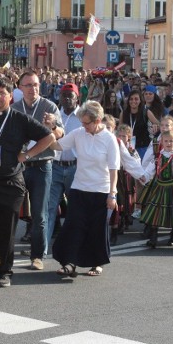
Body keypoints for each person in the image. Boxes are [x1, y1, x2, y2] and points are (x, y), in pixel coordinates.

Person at [0, 77, 55, 290]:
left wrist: (27, 155)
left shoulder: (20, 119)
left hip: (10, 183)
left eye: (2, 93)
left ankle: (4, 272)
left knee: (7, 231)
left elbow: (49, 137)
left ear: (10, 95)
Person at [51, 101, 119, 278]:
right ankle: (70, 262)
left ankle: (97, 263)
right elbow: (58, 145)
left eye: (86, 122)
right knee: (74, 226)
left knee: (96, 229)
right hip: (79, 188)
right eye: (82, 122)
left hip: (100, 190)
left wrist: (112, 194)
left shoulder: (109, 139)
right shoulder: (79, 133)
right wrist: (49, 130)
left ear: (97, 121)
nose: (83, 125)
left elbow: (114, 169)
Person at [12, 71, 63, 270]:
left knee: (40, 213)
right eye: (28, 85)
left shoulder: (49, 106)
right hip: (20, 166)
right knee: (13, 210)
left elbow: (60, 133)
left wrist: (52, 126)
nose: (32, 88)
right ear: (20, 88)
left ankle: (37, 256)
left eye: (35, 85)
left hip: (42, 165)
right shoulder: (15, 108)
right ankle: (4, 252)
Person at [47, 83, 82, 251]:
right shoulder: (55, 116)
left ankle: (72, 243)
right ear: (59, 98)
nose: (67, 99)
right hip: (55, 166)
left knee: (75, 208)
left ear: (77, 98)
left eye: (71, 96)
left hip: (75, 168)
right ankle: (42, 248)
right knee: (50, 207)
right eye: (64, 96)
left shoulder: (83, 117)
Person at [139, 130, 173, 248]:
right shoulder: (157, 157)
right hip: (159, 187)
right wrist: (143, 178)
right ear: (161, 142)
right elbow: (149, 171)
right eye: (166, 141)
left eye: (171, 141)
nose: (168, 143)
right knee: (155, 212)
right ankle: (153, 237)